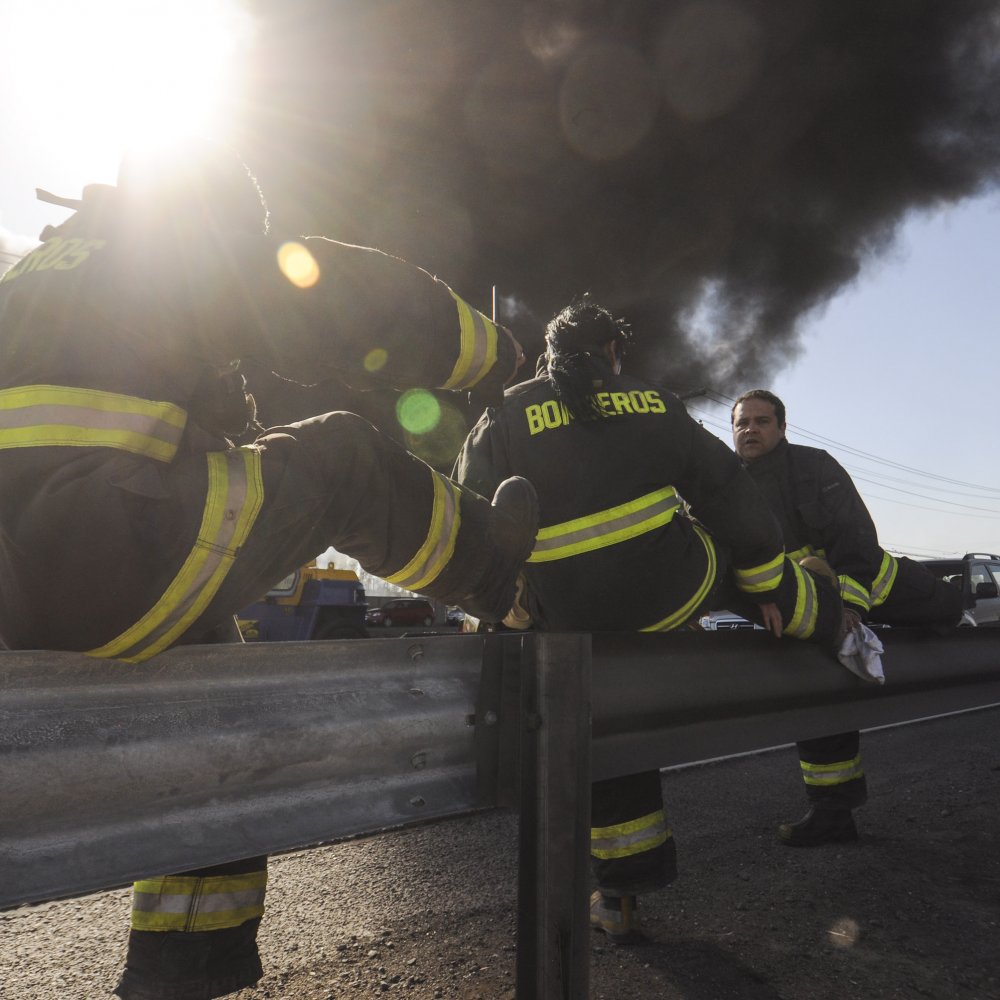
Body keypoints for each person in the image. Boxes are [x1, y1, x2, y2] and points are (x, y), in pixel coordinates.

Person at [0, 139, 539, 1000]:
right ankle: (497, 578)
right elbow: (346, 296)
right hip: (108, 544)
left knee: (213, 710)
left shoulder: (33, 273)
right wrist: (490, 355)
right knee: (346, 459)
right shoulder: (177, 245)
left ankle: (182, 969)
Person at [452, 298, 848, 946]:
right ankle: (828, 617)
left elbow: (470, 518)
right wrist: (767, 583)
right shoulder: (656, 404)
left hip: (569, 619)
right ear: (614, 352)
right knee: (740, 559)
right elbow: (728, 493)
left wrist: (507, 606)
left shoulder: (503, 414)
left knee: (604, 725)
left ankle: (622, 893)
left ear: (550, 355)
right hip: (672, 597)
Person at [730, 389, 962, 847]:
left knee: (946, 608)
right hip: (810, 607)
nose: (750, 430)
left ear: (781, 428)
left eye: (761, 421)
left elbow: (855, 540)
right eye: (742, 423)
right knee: (817, 695)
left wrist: (852, 606)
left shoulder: (815, 467)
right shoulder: (730, 490)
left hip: (881, 585)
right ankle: (833, 814)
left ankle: (954, 614)